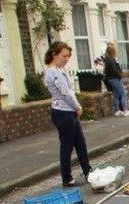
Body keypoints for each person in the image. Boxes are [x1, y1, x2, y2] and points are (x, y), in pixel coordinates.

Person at [43, 42, 90, 188]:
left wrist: (75, 107)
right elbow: (65, 93)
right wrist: (77, 107)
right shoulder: (52, 72)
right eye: (64, 56)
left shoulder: (59, 70)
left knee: (80, 144)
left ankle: (88, 172)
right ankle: (67, 178)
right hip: (63, 113)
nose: (66, 59)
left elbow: (69, 91)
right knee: (67, 146)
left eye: (68, 56)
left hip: (68, 112)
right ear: (54, 54)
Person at [103, 43, 129, 116]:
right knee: (123, 94)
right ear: (113, 52)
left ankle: (117, 111)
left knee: (116, 95)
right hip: (115, 79)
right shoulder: (112, 60)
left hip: (111, 79)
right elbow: (115, 70)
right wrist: (120, 75)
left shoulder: (107, 60)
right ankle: (125, 110)